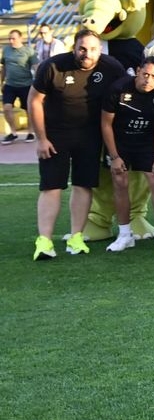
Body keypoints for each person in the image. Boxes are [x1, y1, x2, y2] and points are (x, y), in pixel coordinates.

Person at [30, 29, 127, 260]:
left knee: (83, 185)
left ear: (99, 49)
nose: (87, 54)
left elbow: (126, 91)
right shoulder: (53, 66)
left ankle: (76, 238)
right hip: (55, 136)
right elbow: (34, 100)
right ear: (74, 47)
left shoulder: (111, 67)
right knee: (51, 186)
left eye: (93, 49)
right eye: (82, 48)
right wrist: (41, 138)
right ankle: (44, 242)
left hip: (90, 137)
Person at [99, 57, 154, 253]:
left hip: (146, 142)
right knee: (120, 182)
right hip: (120, 142)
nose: (148, 80)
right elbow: (106, 124)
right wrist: (114, 157)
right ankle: (125, 236)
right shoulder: (118, 89)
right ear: (138, 71)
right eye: (145, 74)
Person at [1, 29, 37, 143]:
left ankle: (30, 132)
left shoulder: (29, 51)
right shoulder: (6, 50)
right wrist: (1, 82)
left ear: (21, 38)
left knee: (28, 110)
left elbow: (36, 66)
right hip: (10, 84)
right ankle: (13, 132)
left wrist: (37, 83)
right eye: (10, 39)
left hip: (25, 85)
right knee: (7, 108)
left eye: (14, 38)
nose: (11, 41)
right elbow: (4, 67)